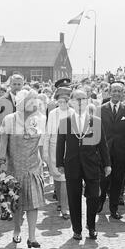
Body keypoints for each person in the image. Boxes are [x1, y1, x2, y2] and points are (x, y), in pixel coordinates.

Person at [56, 89, 111, 240]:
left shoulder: (96, 121)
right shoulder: (65, 121)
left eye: (83, 99)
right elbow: (60, 144)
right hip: (72, 164)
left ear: (87, 101)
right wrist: (59, 162)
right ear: (71, 102)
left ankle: (91, 226)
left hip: (92, 164)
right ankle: (77, 230)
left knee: (93, 196)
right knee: (74, 198)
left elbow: (102, 145)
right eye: (77, 99)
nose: (80, 102)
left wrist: (107, 164)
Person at [0, 89, 46, 248]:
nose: (34, 103)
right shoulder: (9, 119)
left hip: (33, 167)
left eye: (36, 100)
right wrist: (2, 162)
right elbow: (3, 142)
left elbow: (41, 144)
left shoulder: (40, 119)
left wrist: (45, 161)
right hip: (15, 167)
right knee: (16, 203)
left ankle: (32, 237)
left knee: (34, 203)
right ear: (21, 102)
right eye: (30, 100)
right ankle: (17, 230)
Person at [98, 82, 125, 219]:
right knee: (103, 179)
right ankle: (100, 202)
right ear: (109, 92)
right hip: (104, 152)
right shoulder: (101, 109)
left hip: (121, 151)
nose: (116, 93)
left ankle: (114, 209)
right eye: (114, 91)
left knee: (118, 180)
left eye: (119, 91)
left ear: (123, 93)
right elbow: (96, 131)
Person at [43, 87, 73, 219]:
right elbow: (48, 133)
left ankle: (65, 208)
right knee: (57, 177)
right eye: (60, 99)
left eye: (65, 99)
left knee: (65, 179)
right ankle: (60, 202)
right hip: (54, 148)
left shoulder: (73, 113)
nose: (62, 102)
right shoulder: (53, 113)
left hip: (69, 148)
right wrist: (45, 153)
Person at [0, 74, 23, 180]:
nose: (17, 87)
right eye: (14, 84)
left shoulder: (27, 101)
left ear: (22, 85)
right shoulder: (1, 101)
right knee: (5, 174)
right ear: (10, 85)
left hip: (21, 144)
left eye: (19, 84)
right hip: (4, 143)